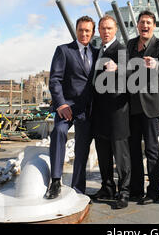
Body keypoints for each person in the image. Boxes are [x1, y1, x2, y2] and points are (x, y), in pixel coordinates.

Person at [46, 16, 99, 199]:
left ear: (93, 33)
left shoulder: (97, 53)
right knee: (58, 133)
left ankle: (78, 189)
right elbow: (55, 80)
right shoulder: (63, 50)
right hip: (66, 108)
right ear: (76, 30)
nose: (84, 33)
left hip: (87, 110)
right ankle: (55, 181)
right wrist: (60, 104)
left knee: (82, 150)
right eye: (81, 30)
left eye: (88, 31)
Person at [127, 10, 159, 204]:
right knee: (134, 149)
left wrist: (156, 65)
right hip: (131, 105)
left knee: (152, 150)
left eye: (149, 23)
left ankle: (153, 192)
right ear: (137, 25)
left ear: (154, 26)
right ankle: (136, 190)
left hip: (150, 105)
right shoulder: (130, 44)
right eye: (142, 22)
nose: (145, 26)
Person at [90, 15, 131, 209]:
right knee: (103, 152)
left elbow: (132, 74)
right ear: (99, 30)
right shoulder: (98, 52)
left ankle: (124, 191)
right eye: (103, 28)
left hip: (117, 111)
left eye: (109, 28)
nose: (106, 31)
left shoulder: (121, 49)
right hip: (100, 112)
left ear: (115, 30)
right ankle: (107, 186)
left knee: (121, 154)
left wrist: (119, 69)